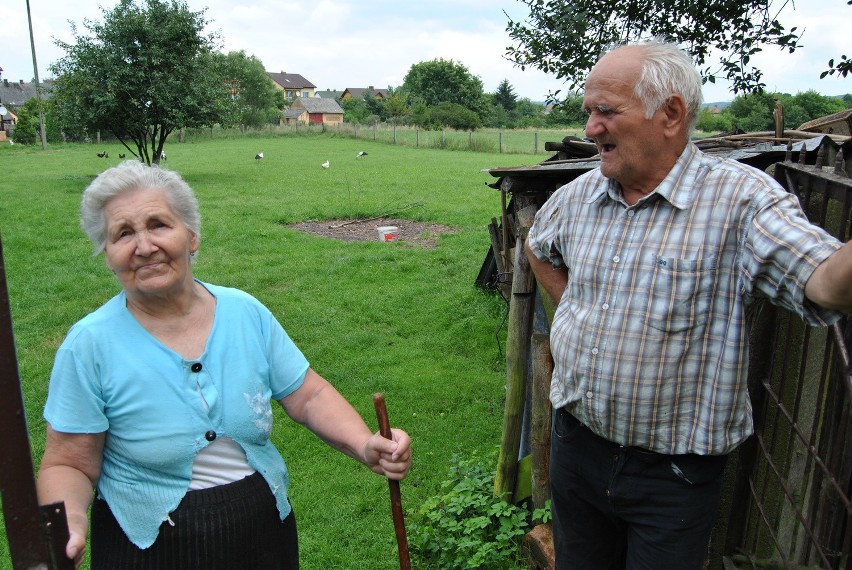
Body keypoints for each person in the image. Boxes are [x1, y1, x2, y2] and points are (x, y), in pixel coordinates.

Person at [525, 38, 852, 569]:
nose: (590, 129)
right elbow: (539, 245)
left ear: (671, 114)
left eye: (606, 112)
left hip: (672, 479)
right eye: (589, 112)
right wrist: (571, 313)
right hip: (575, 450)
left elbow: (825, 281)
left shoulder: (741, 201)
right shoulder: (580, 195)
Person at [37, 160, 412, 569]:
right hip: (146, 549)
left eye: (159, 225)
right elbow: (67, 463)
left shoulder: (243, 312)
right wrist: (68, 522)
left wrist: (363, 444)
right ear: (108, 255)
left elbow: (308, 395)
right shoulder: (89, 345)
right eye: (123, 233)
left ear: (192, 236)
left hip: (262, 536)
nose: (144, 246)